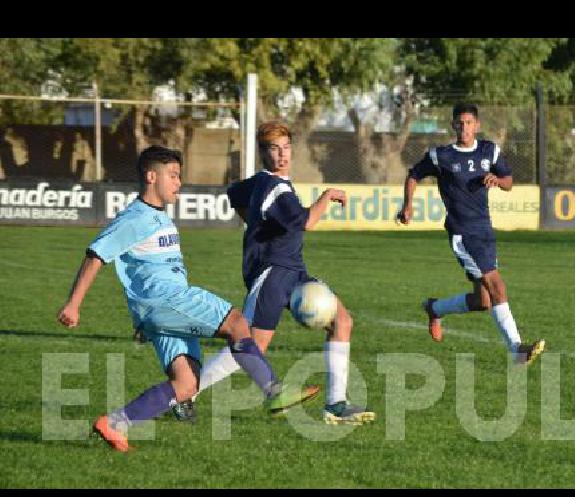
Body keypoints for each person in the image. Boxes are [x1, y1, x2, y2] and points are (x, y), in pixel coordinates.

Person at [56, 145, 314, 452]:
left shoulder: (160, 217)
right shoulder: (135, 218)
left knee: (187, 384)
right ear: (151, 176)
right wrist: (74, 304)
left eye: (180, 176)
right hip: (166, 299)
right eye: (173, 175)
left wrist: (146, 319)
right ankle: (274, 392)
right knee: (236, 322)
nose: (179, 183)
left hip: (158, 310)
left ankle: (115, 424)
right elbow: (96, 254)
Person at [176, 121, 375, 426]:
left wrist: (257, 224)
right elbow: (306, 222)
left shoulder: (260, 182)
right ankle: (185, 392)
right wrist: (326, 196)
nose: (281, 155)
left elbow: (234, 193)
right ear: (263, 153)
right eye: (273, 149)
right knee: (250, 345)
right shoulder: (275, 188)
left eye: (285, 148)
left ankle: (336, 404)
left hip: (293, 269)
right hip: (271, 272)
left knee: (343, 321)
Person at [397, 103, 545, 366]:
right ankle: (516, 350)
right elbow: (413, 175)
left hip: (485, 231)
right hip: (463, 234)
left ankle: (435, 308)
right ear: (453, 125)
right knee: (498, 286)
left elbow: (509, 181)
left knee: (483, 301)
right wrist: (407, 205)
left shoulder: (489, 151)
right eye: (460, 123)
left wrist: (497, 181)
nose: (464, 128)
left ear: (477, 125)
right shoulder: (441, 156)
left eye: (469, 123)